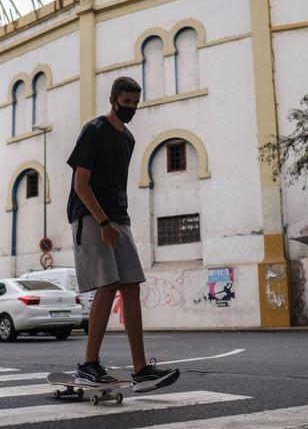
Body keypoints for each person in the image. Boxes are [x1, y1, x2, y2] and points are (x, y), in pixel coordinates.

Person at [66, 76, 180, 393]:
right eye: (126, 102)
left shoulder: (127, 139)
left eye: (135, 103)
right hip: (90, 215)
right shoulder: (94, 130)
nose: (131, 108)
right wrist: (103, 223)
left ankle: (141, 370)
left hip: (118, 217)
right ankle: (89, 366)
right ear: (114, 100)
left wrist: (117, 221)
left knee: (131, 286)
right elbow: (80, 185)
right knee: (109, 283)